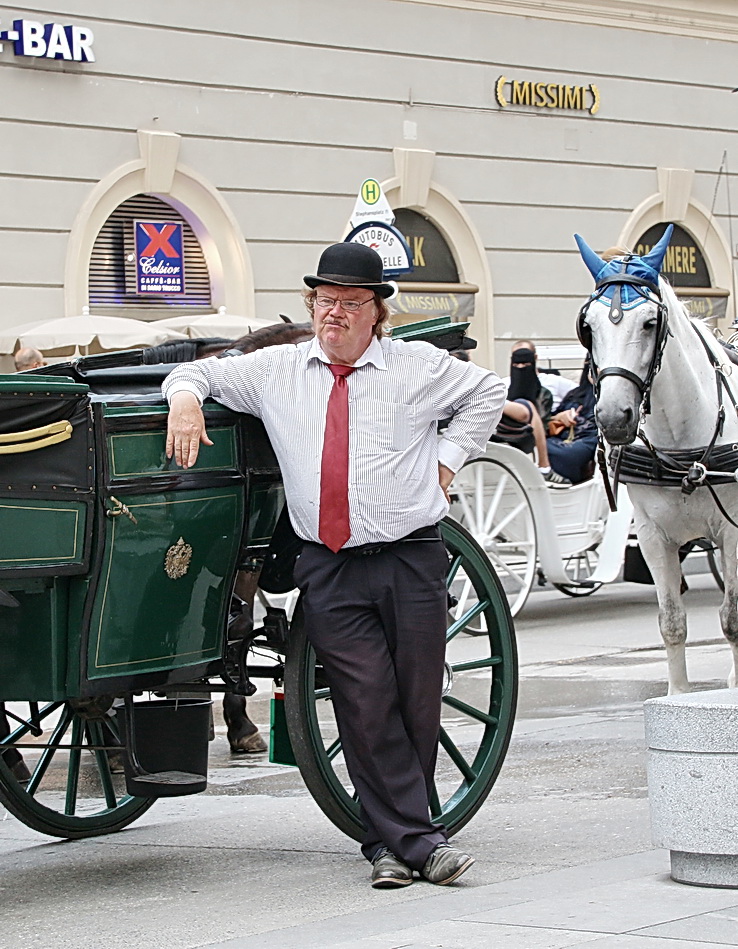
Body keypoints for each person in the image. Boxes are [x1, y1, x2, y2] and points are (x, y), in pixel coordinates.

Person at [163, 242, 505, 888]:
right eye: (325, 301)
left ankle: (387, 846)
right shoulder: (279, 372)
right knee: (365, 701)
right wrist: (183, 398)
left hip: (411, 556)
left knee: (416, 705)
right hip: (330, 565)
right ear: (311, 305)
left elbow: (488, 391)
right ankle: (425, 845)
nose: (335, 314)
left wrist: (448, 459)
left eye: (351, 303)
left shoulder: (415, 367)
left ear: (378, 312)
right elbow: (201, 373)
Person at [545, 357, 598, 484]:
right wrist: (560, 417)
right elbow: (550, 420)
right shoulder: (575, 394)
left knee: (563, 453)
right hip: (561, 438)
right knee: (538, 443)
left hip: (589, 441)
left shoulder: (607, 399)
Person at [504, 339, 575, 411]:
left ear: (535, 357)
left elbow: (579, 394)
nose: (521, 365)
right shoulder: (503, 385)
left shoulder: (555, 381)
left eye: (526, 357)